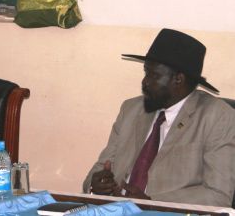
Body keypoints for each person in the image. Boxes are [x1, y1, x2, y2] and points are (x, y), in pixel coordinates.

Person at [83, 28, 235, 207]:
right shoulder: (131, 109)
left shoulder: (218, 117)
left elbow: (218, 195)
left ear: (178, 79)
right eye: (145, 72)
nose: (144, 82)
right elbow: (100, 168)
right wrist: (95, 186)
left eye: (154, 75)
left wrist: (152, 203)